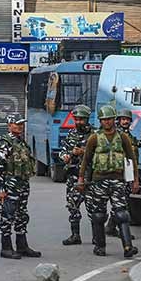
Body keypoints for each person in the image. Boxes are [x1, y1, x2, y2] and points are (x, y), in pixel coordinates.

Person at [78, 105, 139, 258]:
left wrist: (134, 180)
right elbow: (86, 160)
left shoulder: (123, 137)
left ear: (114, 120)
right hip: (99, 181)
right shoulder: (94, 137)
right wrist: (81, 179)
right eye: (104, 120)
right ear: (100, 121)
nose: (107, 122)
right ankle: (100, 246)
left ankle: (127, 247)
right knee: (98, 214)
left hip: (118, 180)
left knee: (122, 214)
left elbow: (132, 159)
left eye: (109, 119)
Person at [0, 113, 41, 259]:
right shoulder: (5, 142)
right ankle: (6, 248)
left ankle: (22, 246)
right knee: (8, 215)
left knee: (22, 215)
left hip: (22, 183)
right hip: (10, 184)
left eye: (21, 123)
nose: (20, 126)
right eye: (17, 124)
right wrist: (0, 189)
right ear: (9, 125)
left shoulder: (21, 142)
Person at [105, 109, 141, 237]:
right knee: (121, 201)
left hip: (128, 171)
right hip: (119, 171)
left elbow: (134, 146)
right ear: (119, 120)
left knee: (123, 200)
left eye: (127, 120)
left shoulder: (128, 134)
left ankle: (111, 226)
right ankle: (120, 230)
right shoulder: (116, 134)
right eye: (123, 119)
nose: (125, 121)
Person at [59, 105, 94, 245]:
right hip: (73, 175)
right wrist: (67, 156)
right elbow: (63, 151)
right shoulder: (71, 134)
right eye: (77, 119)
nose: (79, 122)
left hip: (90, 177)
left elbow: (102, 152)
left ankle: (97, 237)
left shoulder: (95, 134)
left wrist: (84, 151)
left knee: (94, 208)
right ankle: (75, 235)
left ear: (87, 119)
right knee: (73, 205)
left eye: (81, 119)